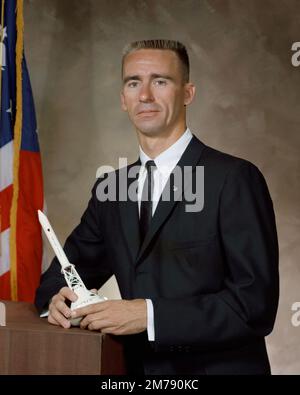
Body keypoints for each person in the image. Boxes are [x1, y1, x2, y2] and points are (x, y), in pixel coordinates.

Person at [35, 39, 279, 375]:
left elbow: (254, 306)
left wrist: (147, 315)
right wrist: (57, 300)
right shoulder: (112, 189)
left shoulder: (235, 179)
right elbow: (60, 276)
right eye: (133, 83)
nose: (145, 95)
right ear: (123, 99)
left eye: (160, 81)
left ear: (188, 94)